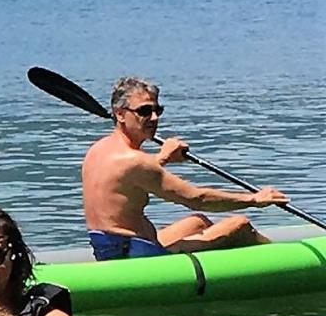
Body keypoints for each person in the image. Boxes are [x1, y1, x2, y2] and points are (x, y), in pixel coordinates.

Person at [82, 76, 288, 260]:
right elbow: (197, 199)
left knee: (197, 223)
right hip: (139, 259)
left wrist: (162, 158)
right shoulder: (138, 162)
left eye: (157, 110)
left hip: (112, 249)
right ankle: (282, 262)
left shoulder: (98, 150)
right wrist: (254, 199)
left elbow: (129, 174)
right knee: (240, 225)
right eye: (144, 111)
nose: (154, 117)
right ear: (120, 114)